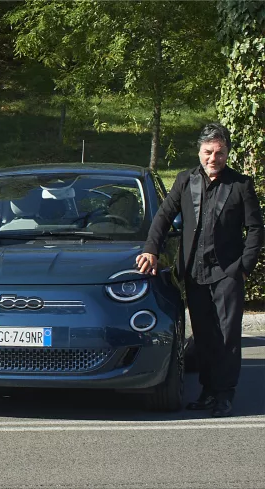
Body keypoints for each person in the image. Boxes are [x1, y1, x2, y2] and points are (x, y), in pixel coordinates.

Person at [136, 122, 263, 417]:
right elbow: (164, 216)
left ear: (227, 152)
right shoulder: (185, 181)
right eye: (208, 152)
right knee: (204, 336)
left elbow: (256, 230)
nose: (212, 158)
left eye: (219, 152)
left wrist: (243, 267)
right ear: (199, 151)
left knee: (227, 336)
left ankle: (224, 394)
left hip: (228, 273)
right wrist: (151, 249)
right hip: (194, 273)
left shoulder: (240, 185)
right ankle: (207, 391)